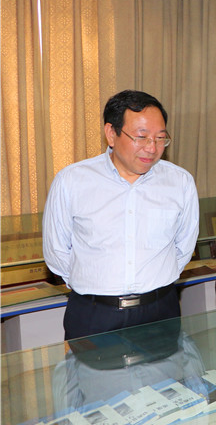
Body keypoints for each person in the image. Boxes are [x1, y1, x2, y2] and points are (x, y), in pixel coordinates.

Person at [43, 90, 199, 340]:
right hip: (95, 315)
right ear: (111, 133)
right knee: (88, 367)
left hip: (160, 312)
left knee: (166, 367)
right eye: (141, 137)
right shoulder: (72, 181)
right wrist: (95, 288)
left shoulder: (179, 182)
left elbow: (183, 247)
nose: (152, 148)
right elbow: (57, 251)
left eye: (160, 138)